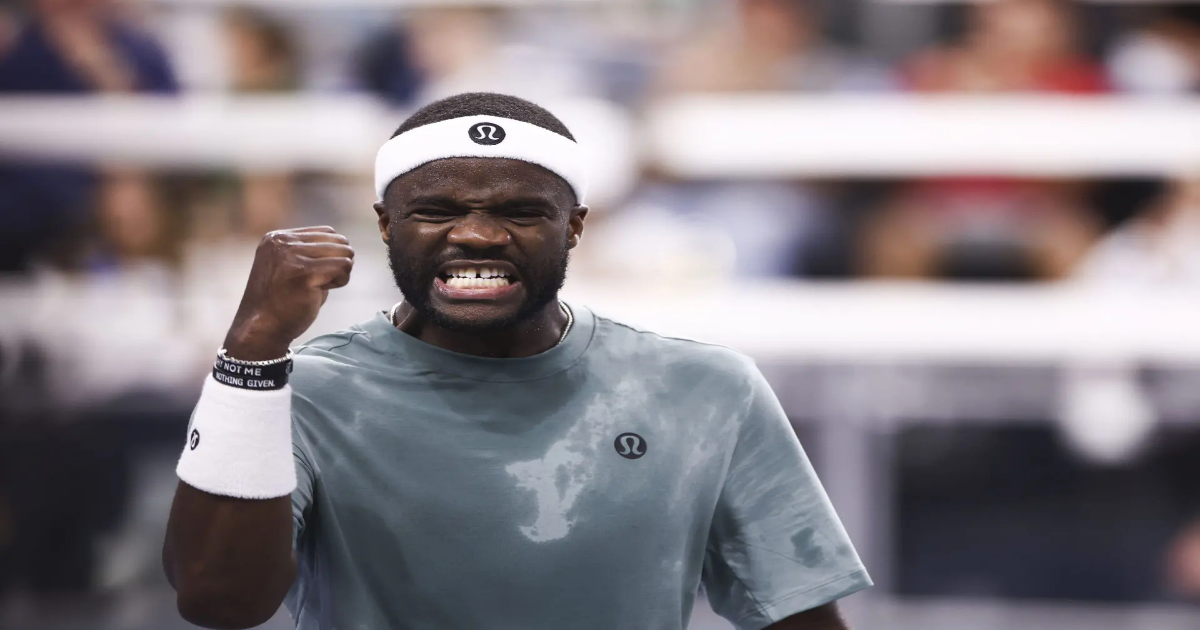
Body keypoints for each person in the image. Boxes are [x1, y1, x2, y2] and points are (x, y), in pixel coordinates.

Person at [161, 92, 871, 630]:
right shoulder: (301, 388)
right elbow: (217, 601)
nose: (477, 234)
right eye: (436, 209)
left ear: (575, 227)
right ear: (384, 224)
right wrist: (253, 348)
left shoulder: (705, 389)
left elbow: (799, 617)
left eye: (522, 212)